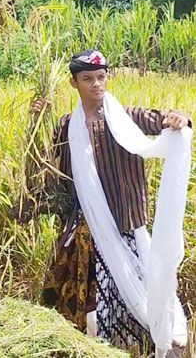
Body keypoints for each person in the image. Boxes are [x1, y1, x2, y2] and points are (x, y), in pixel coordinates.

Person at [32, 49, 191, 358]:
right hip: (86, 223)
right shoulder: (67, 126)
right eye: (87, 79)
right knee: (78, 290)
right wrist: (37, 123)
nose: (96, 84)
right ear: (73, 83)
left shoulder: (126, 117)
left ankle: (141, 344)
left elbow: (158, 120)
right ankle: (77, 343)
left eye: (101, 77)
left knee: (134, 290)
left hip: (124, 220)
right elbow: (53, 173)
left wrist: (179, 118)